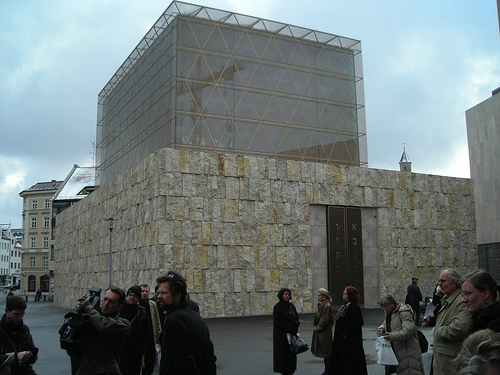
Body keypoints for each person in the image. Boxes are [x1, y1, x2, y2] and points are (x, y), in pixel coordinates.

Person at [157, 271, 216, 375]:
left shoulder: (173, 321)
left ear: (178, 296)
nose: (159, 296)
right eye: (158, 293)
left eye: (164, 293)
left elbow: (183, 361)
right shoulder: (197, 318)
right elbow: (210, 358)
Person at [76, 286, 131, 375]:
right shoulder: (93, 319)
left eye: (111, 302)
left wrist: (88, 308)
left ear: (119, 307)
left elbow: (104, 326)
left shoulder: (123, 324)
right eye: (105, 299)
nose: (106, 303)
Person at [433, 269, 472, 375]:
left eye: (443, 281)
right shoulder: (449, 299)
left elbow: (459, 327)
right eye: (439, 281)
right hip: (443, 359)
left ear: (454, 283)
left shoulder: (461, 301)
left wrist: (439, 331)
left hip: (450, 360)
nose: (439, 284)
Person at [378, 294, 424, 375]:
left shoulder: (404, 313)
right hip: (397, 349)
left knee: (410, 371)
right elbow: (387, 323)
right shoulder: (389, 312)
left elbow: (408, 331)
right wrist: (382, 327)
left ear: (392, 303)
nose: (385, 310)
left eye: (386, 307)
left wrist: (391, 336)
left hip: (408, 350)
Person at [329, 286, 367, 375]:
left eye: (345, 292)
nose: (343, 294)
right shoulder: (345, 306)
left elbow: (358, 322)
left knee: (350, 361)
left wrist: (346, 331)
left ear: (349, 295)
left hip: (350, 340)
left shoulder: (354, 307)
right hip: (341, 338)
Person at [0, 296, 39, 374]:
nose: (19, 318)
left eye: (22, 315)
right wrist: (16, 357)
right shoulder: (1, 330)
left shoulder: (24, 330)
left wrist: (32, 356)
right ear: (7, 311)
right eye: (16, 314)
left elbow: (32, 350)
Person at [119, 285, 152, 375]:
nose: (132, 297)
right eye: (130, 295)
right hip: (120, 352)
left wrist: (141, 351)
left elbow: (147, 333)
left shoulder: (142, 313)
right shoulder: (120, 309)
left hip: (134, 354)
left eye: (134, 295)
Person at [461, 269, 500, 333]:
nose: (464, 300)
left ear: (485, 294)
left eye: (467, 294)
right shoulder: (479, 320)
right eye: (463, 295)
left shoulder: (494, 327)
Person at [273, 288, 300, 375]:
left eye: (288, 294)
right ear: (281, 295)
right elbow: (278, 322)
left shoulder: (291, 305)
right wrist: (289, 327)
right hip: (282, 337)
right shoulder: (278, 307)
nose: (287, 296)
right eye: (285, 294)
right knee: (283, 358)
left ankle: (290, 371)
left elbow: (296, 317)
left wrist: (295, 325)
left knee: (291, 357)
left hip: (291, 335)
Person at [140, 284, 161, 375]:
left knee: (149, 365)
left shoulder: (152, 304)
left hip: (151, 339)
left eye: (146, 291)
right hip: (141, 340)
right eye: (143, 291)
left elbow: (157, 321)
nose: (145, 293)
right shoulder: (137, 305)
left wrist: (158, 336)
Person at [311, 288, 333, 375]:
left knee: (326, 352)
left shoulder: (326, 306)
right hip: (323, 331)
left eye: (319, 295)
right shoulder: (321, 305)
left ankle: (328, 371)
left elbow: (324, 319)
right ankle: (327, 370)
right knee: (325, 352)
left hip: (324, 332)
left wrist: (318, 327)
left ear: (324, 296)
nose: (317, 297)